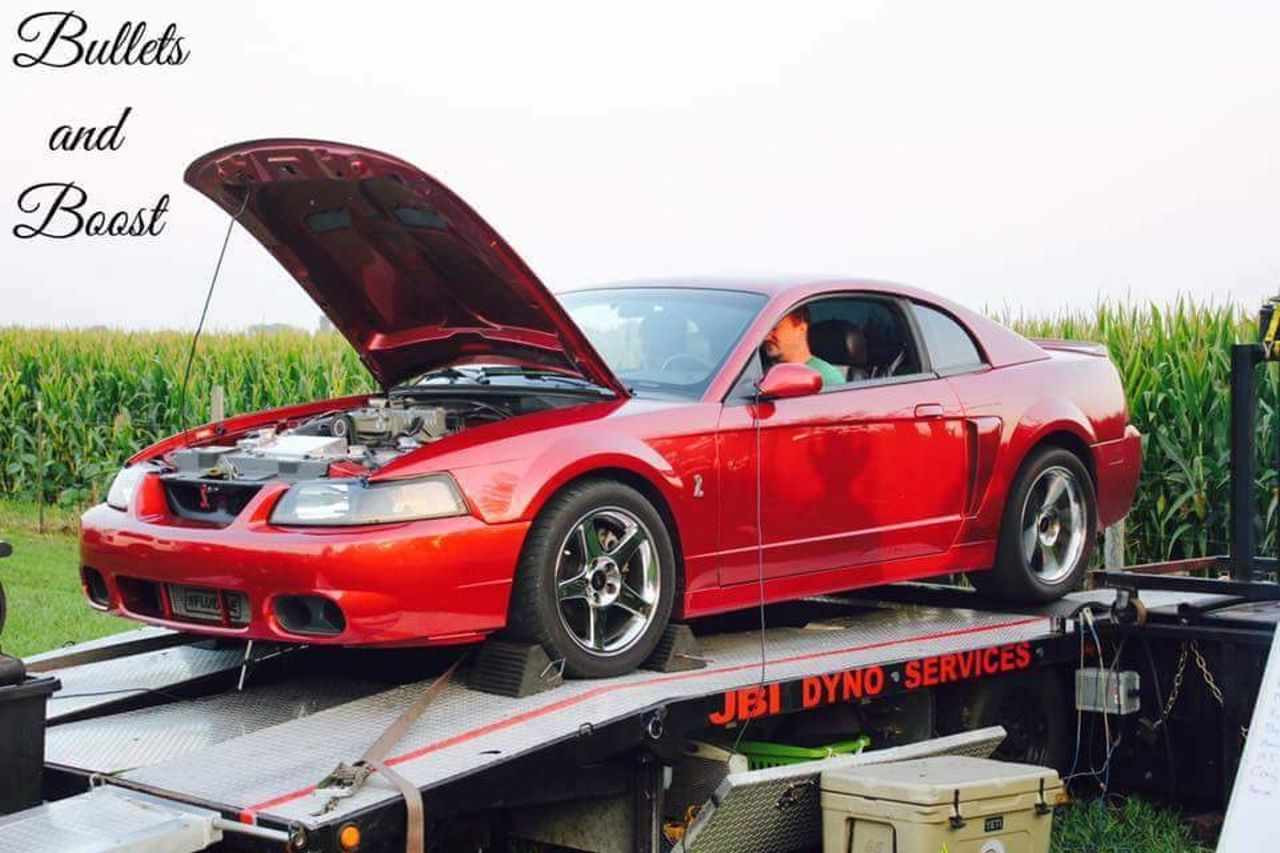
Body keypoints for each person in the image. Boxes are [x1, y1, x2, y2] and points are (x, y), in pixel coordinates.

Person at [763, 305, 845, 388]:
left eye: (774, 329)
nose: (766, 337)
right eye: (764, 330)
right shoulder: (756, 370)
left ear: (801, 327)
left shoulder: (825, 378)